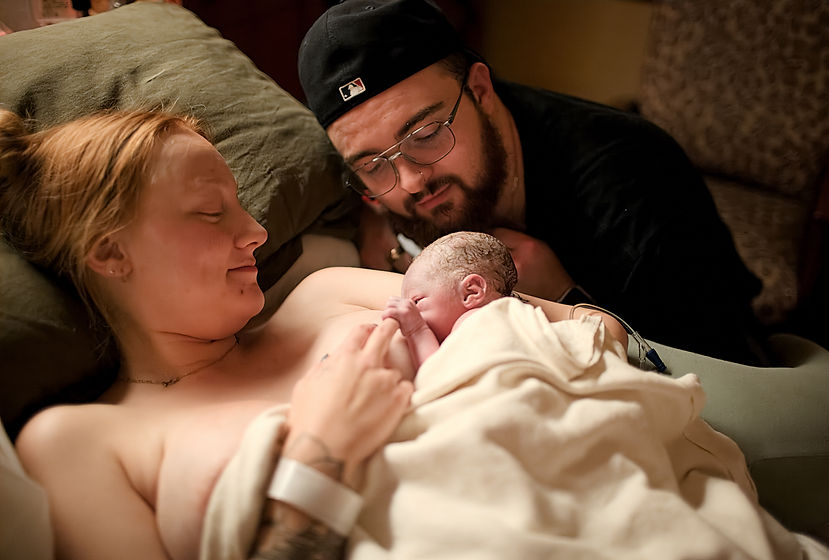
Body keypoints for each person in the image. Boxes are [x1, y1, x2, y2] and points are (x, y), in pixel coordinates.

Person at [0, 108, 607, 560]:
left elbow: (592, 332)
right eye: (212, 212)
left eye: (240, 204)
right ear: (110, 252)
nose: (256, 231)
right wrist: (324, 452)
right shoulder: (79, 445)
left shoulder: (327, 291)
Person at [296, 0, 765, 365]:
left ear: (480, 90)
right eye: (375, 164)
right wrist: (385, 227)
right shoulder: (390, 188)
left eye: (425, 134)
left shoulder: (633, 184)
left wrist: (566, 301)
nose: (413, 180)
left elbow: (707, 376)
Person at [382, 231, 518, 369]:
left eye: (417, 301)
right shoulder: (510, 317)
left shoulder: (476, 318)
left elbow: (439, 373)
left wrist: (417, 331)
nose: (411, 311)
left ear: (471, 292)